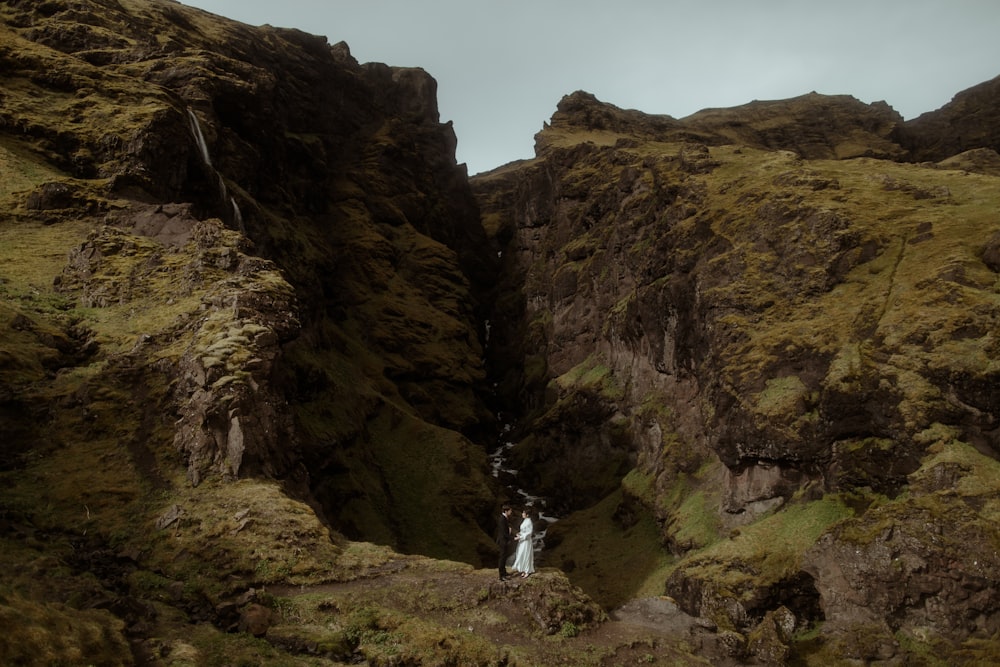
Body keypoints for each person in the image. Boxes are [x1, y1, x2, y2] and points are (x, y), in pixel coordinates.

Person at [512, 507, 535, 578]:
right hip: (522, 541)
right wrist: (519, 533)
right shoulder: (525, 520)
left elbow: (529, 533)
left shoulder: (529, 522)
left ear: (527, 515)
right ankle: (523, 569)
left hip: (526, 541)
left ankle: (527, 571)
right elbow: (524, 531)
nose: (522, 514)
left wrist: (520, 537)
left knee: (526, 554)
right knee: (521, 554)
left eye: (523, 513)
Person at [495, 504, 514, 581]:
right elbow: (504, 533)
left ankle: (504, 572)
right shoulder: (502, 519)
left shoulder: (504, 518)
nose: (511, 512)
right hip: (503, 541)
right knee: (502, 558)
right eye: (510, 511)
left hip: (504, 540)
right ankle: (501, 575)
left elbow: (505, 531)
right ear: (506, 511)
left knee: (504, 556)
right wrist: (513, 538)